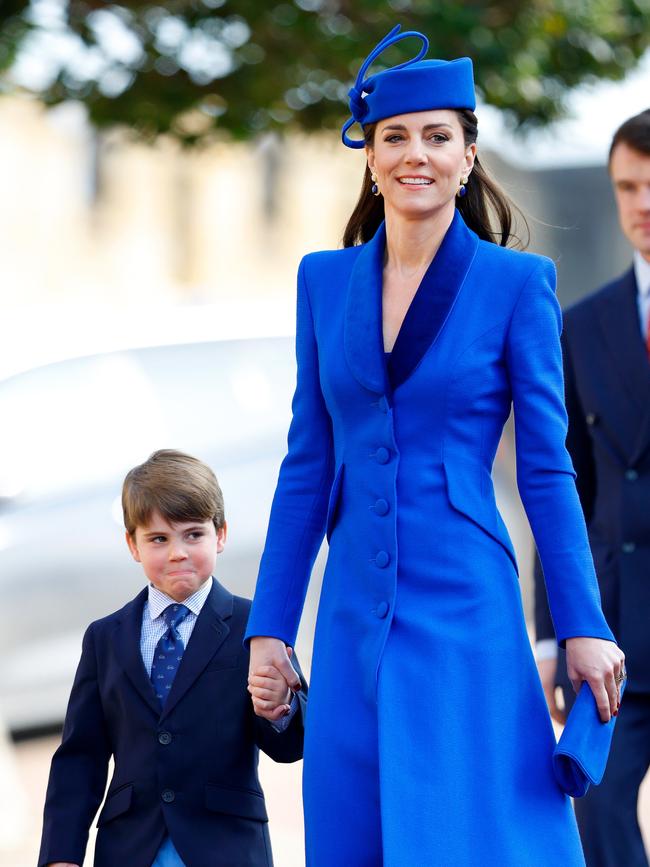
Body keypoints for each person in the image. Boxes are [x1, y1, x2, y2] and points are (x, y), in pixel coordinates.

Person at [245, 24, 625, 867]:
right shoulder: (323, 280)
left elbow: (547, 469)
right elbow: (307, 461)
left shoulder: (517, 284)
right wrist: (271, 623)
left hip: (464, 601)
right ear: (371, 158)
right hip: (351, 610)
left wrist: (582, 623)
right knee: (357, 823)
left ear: (467, 154)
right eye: (394, 137)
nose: (415, 154)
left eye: (436, 136)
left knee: (471, 828)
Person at [38, 449, 307, 867]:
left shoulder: (255, 625)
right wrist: (61, 855)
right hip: (131, 849)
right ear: (133, 544)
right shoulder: (105, 638)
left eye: (193, 534)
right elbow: (80, 757)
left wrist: (279, 709)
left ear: (220, 534)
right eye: (159, 539)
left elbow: (292, 745)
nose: (178, 552)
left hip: (226, 846)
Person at [535, 109, 650, 867]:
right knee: (594, 807)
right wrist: (552, 628)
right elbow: (557, 484)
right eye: (628, 186)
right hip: (615, 628)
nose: (643, 203)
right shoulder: (580, 325)